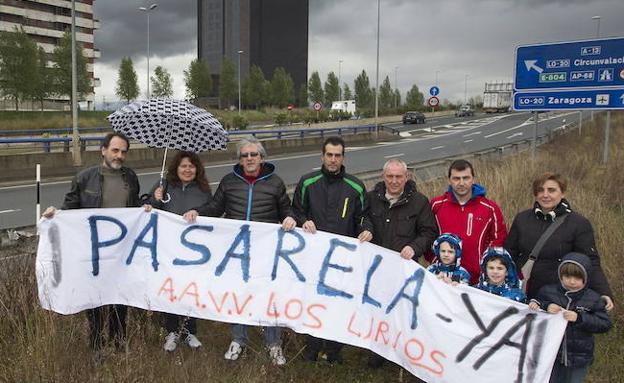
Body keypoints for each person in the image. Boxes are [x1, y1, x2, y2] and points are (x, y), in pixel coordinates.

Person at [182, 137, 295, 366]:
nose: (250, 159)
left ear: (262, 158)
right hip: (236, 252)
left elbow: (286, 210)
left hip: (265, 252)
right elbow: (215, 207)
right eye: (245, 155)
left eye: (254, 154)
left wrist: (291, 218)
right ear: (240, 160)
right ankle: (238, 339)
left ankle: (273, 343)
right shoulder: (228, 182)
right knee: (238, 296)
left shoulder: (275, 183)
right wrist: (197, 212)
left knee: (269, 296)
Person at [42, 132, 140, 352]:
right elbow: (70, 210)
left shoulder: (131, 177)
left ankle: (118, 343)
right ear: (103, 150)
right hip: (92, 252)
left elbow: (134, 208)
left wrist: (148, 205)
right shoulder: (84, 178)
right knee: (94, 301)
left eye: (124, 152)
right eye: (115, 150)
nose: (119, 155)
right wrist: (55, 214)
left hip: (121, 252)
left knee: (120, 300)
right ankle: (96, 345)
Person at [290, 136, 373, 364]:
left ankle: (333, 352)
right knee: (312, 302)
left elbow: (364, 217)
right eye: (329, 155)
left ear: (343, 157)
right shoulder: (307, 182)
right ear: (322, 156)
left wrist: (366, 229)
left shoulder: (355, 186)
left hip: (342, 260)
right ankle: (311, 349)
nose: (333, 160)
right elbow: (296, 211)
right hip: (313, 258)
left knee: (338, 305)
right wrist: (303, 220)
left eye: (338, 155)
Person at [365, 158, 437, 368]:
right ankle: (377, 353)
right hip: (376, 270)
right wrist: (365, 228)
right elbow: (360, 219)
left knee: (402, 313)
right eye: (390, 176)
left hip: (405, 271)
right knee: (377, 312)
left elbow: (429, 232)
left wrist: (415, 247)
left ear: (407, 177)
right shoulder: (370, 199)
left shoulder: (420, 202)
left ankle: (401, 355)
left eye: (399, 176)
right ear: (383, 176)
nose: (394, 181)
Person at [505, 172, 614, 310]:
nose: (545, 195)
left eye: (551, 190)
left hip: (558, 296)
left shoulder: (578, 223)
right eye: (540, 190)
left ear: (562, 193)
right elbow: (509, 254)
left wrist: (603, 292)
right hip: (523, 290)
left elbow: (590, 260)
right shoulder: (522, 218)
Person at [144, 151, 212, 352]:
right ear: (176, 168)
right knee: (171, 290)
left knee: (190, 290)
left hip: (193, 252)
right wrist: (154, 198)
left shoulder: (203, 189)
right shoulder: (164, 184)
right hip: (167, 249)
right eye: (183, 166)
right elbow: (146, 207)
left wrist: (199, 212)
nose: (187, 170)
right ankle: (172, 331)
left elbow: (213, 210)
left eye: (191, 166)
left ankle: (190, 331)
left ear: (197, 169)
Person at [528, 252, 611, 383]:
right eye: (567, 277)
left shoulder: (593, 298)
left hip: (579, 357)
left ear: (586, 278)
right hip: (551, 354)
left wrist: (580, 318)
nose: (572, 282)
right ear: (560, 275)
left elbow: (604, 324)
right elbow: (535, 307)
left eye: (577, 278)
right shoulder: (547, 291)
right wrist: (546, 306)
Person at [430, 159, 507, 284]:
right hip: (443, 279)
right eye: (456, 178)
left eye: (466, 178)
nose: (461, 183)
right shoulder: (436, 205)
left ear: (473, 179)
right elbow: (427, 235)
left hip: (477, 280)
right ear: (449, 180)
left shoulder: (489, 208)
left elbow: (499, 239)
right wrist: (435, 260)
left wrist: (485, 267)